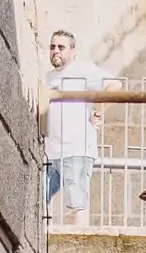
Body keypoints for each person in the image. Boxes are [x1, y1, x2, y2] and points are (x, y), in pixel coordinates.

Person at [44, 29, 104, 223]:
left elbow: (113, 87)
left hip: (77, 148)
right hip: (51, 151)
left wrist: (99, 112)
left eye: (61, 47)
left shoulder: (83, 71)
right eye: (53, 47)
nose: (56, 51)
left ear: (73, 51)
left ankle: (81, 239)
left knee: (77, 203)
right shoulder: (48, 78)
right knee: (40, 199)